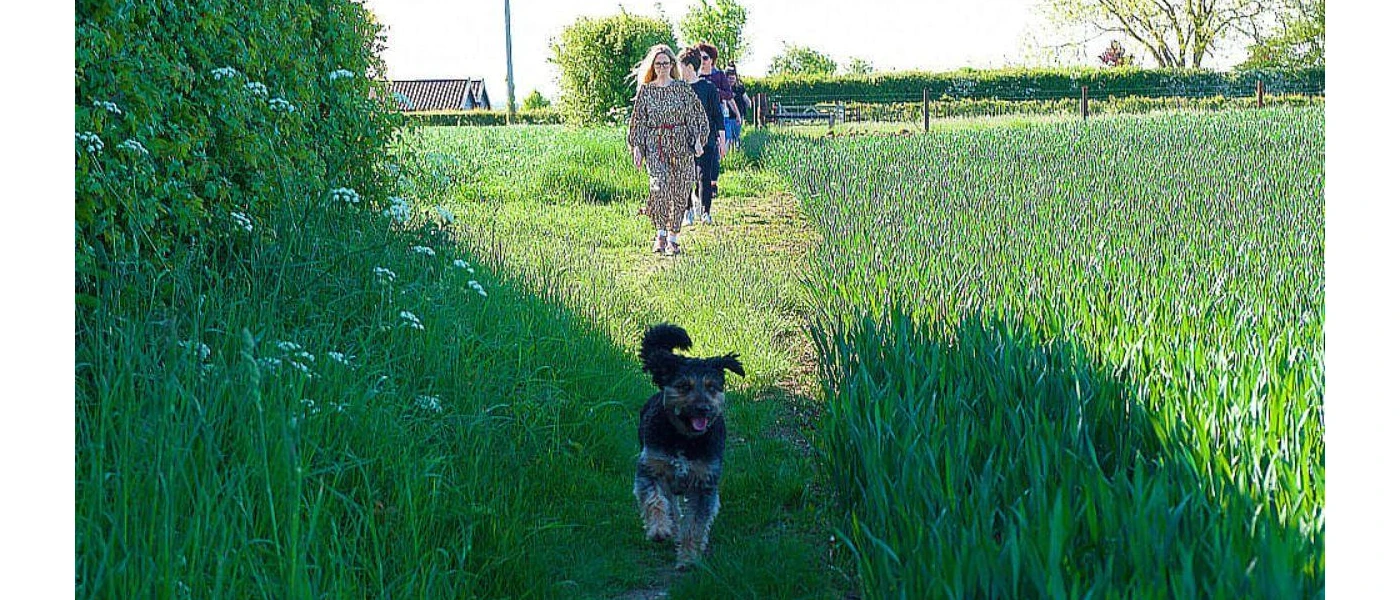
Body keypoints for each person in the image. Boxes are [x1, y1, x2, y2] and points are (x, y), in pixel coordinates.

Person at [626, 45, 709, 256]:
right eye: (658, 63)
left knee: (680, 191)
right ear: (653, 66)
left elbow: (696, 115)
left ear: (672, 65)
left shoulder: (682, 88)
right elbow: (638, 122)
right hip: (656, 145)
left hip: (681, 144)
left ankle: (673, 238)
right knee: (659, 187)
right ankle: (660, 234)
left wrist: (698, 139)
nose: (662, 67)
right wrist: (637, 147)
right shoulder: (646, 91)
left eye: (666, 63)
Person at [679, 47, 725, 228]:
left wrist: (721, 140)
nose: (678, 69)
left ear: (689, 66)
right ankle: (687, 211)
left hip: (707, 139)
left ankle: (705, 211)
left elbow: (717, 116)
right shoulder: (678, 89)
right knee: (684, 176)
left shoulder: (708, 88)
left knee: (703, 176)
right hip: (683, 140)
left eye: (680, 65)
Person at [726, 66, 750, 150]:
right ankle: (730, 153)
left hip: (738, 117)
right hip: (727, 117)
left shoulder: (740, 88)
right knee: (729, 137)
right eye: (730, 79)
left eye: (733, 79)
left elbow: (746, 99)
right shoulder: (725, 89)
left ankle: (737, 151)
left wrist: (747, 106)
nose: (731, 80)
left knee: (736, 135)